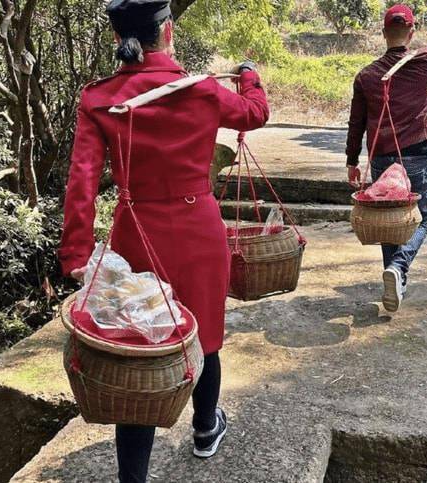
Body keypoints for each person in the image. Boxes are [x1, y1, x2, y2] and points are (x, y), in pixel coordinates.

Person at [57, 0, 269, 481]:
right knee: (206, 337)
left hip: (136, 236)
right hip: (200, 233)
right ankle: (204, 429)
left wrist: (76, 252)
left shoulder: (100, 99)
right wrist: (250, 74)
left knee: (140, 348)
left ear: (118, 40)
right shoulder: (204, 91)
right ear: (168, 30)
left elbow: (82, 181)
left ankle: (134, 477)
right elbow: (256, 113)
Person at [345, 4, 427, 312]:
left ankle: (395, 278)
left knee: (388, 220)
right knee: (420, 218)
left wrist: (351, 161)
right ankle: (398, 268)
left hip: (382, 158)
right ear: (411, 32)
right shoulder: (425, 60)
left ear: (384, 34)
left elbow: (356, 123)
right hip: (414, 155)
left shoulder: (366, 75)